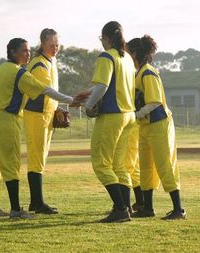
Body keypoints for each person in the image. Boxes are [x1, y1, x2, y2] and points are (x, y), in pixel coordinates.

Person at [0, 38, 74, 219]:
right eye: (23, 51)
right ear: (12, 52)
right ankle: (16, 210)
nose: (28, 53)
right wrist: (72, 100)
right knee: (11, 163)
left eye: (28, 50)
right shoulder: (19, 73)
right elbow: (45, 90)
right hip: (7, 119)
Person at [77, 21, 136, 223]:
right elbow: (111, 85)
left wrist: (89, 105)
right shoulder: (127, 57)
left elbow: (103, 85)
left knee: (101, 164)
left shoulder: (106, 56)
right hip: (129, 115)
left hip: (112, 115)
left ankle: (120, 210)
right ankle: (126, 208)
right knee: (119, 165)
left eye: (101, 38)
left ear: (107, 38)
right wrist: (89, 94)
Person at [126, 35, 186, 220]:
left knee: (165, 164)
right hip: (145, 126)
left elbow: (154, 102)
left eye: (128, 51)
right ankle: (148, 208)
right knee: (145, 167)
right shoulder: (138, 73)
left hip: (159, 124)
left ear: (134, 53)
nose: (125, 54)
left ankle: (178, 209)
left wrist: (135, 114)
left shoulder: (148, 73)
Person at [23, 28, 61, 215]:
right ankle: (37, 203)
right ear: (43, 44)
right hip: (36, 115)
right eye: (51, 45)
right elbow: (46, 90)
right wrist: (69, 100)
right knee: (37, 157)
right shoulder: (39, 64)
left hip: (47, 115)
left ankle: (37, 202)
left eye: (57, 45)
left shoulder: (51, 62)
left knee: (41, 157)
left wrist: (57, 108)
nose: (55, 48)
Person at [125, 123, 144, 211]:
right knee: (134, 168)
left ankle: (125, 205)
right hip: (134, 126)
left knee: (125, 167)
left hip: (129, 127)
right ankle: (140, 202)